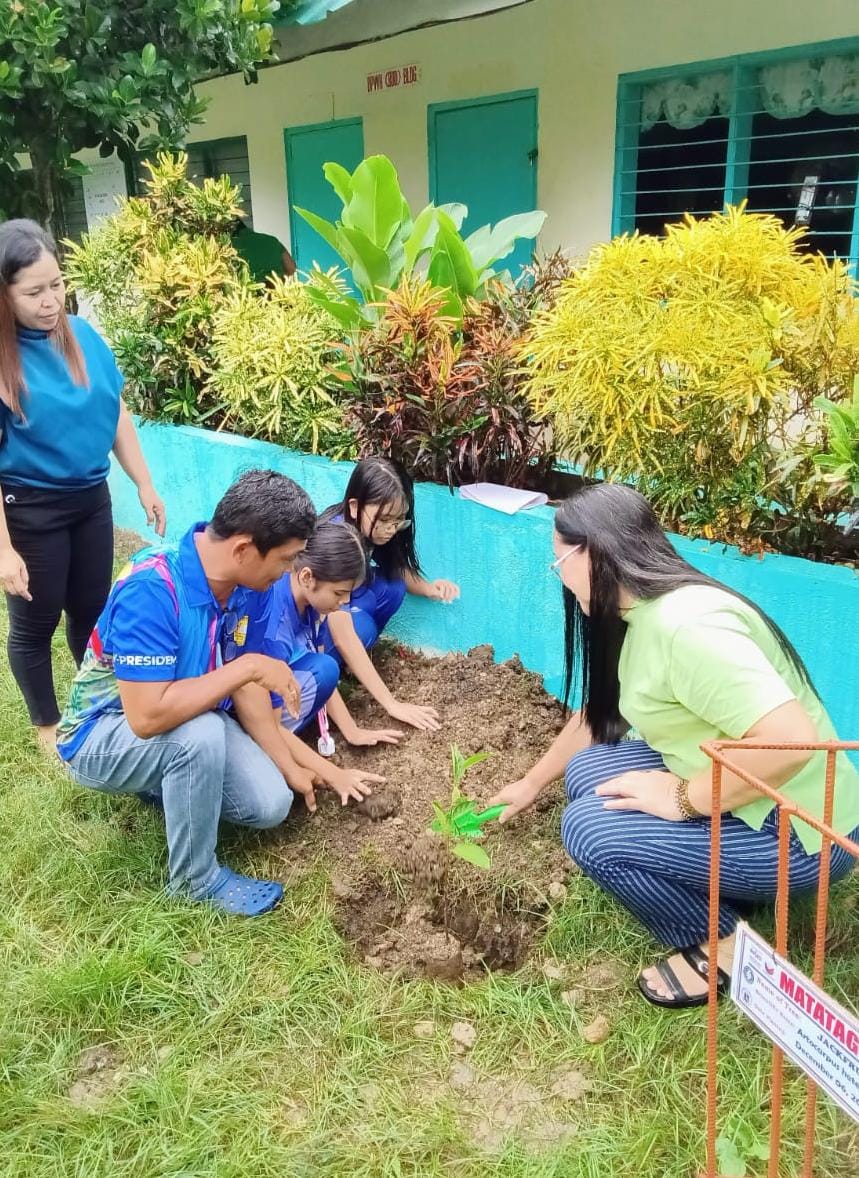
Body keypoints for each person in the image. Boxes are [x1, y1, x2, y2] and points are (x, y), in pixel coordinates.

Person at [490, 483, 859, 1008]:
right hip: (751, 796)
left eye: (559, 563)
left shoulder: (688, 629)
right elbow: (603, 713)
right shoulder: (640, 611)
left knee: (589, 830)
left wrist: (684, 798)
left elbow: (792, 742)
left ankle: (724, 946)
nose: (560, 578)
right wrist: (530, 783)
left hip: (801, 833)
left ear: (592, 553)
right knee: (588, 772)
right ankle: (723, 886)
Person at [56, 470, 327, 916]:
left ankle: (166, 784)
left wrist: (290, 765)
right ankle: (193, 880)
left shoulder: (249, 586)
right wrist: (247, 667)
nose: (288, 572)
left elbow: (245, 686)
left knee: (271, 804)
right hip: (102, 733)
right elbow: (147, 717)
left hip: (187, 714)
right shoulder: (153, 587)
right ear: (243, 549)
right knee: (197, 737)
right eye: (285, 559)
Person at [0, 218, 165, 750]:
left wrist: (143, 482)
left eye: (56, 285)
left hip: (92, 499)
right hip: (30, 508)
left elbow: (115, 412)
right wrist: (4, 549)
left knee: (92, 611)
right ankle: (49, 729)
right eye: (33, 292)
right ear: (5, 295)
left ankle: (91, 705)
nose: (50, 301)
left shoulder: (84, 336)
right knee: (37, 621)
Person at [320, 456, 460, 733]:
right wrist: (392, 704)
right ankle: (334, 669)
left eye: (398, 521)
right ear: (355, 506)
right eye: (384, 520)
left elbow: (397, 568)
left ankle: (351, 664)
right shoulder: (336, 544)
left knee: (393, 587)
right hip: (317, 624)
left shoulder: (372, 529)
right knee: (360, 627)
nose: (391, 529)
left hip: (346, 604)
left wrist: (430, 589)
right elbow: (342, 631)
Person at [245, 519, 404, 749]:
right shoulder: (276, 629)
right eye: (339, 593)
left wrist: (352, 731)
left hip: (275, 688)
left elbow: (318, 655)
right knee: (322, 669)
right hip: (253, 713)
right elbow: (269, 726)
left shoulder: (308, 600)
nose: (344, 602)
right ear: (307, 577)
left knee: (325, 666)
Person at [230, 218, 296, 284]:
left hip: (252, 288)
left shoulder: (231, 246)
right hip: (278, 286)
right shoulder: (272, 240)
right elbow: (291, 268)